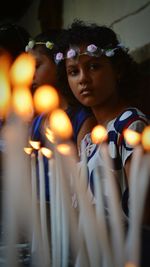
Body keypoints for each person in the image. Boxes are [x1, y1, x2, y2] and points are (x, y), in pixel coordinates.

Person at [55, 19, 150, 265]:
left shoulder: (131, 126)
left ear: (117, 70)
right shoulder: (88, 138)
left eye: (94, 67)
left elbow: (144, 212)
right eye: (73, 72)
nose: (83, 79)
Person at [25, 29, 97, 200]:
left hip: (70, 210)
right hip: (41, 208)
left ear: (58, 66)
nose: (30, 74)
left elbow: (84, 175)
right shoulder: (38, 121)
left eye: (36, 66)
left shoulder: (82, 118)